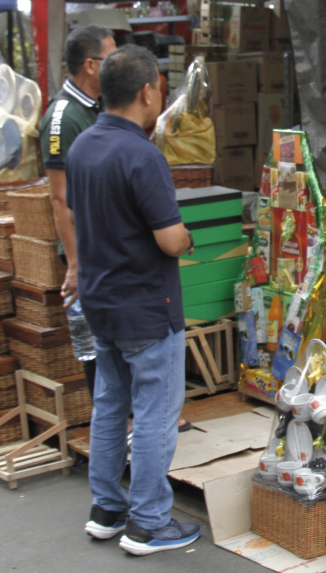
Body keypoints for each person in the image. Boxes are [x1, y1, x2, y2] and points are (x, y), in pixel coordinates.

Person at [65, 45, 200, 555]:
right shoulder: (142, 154)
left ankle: (107, 509)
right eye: (159, 86)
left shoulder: (83, 147)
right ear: (147, 92)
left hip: (100, 299)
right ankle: (148, 522)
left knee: (109, 406)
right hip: (146, 305)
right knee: (154, 415)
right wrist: (187, 238)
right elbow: (169, 239)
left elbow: (82, 219)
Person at [39, 24, 115, 397]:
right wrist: (75, 261)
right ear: (90, 64)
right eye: (110, 58)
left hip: (106, 244)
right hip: (85, 252)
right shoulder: (63, 117)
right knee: (94, 345)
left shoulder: (97, 107)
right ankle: (118, 428)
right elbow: (58, 197)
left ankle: (130, 419)